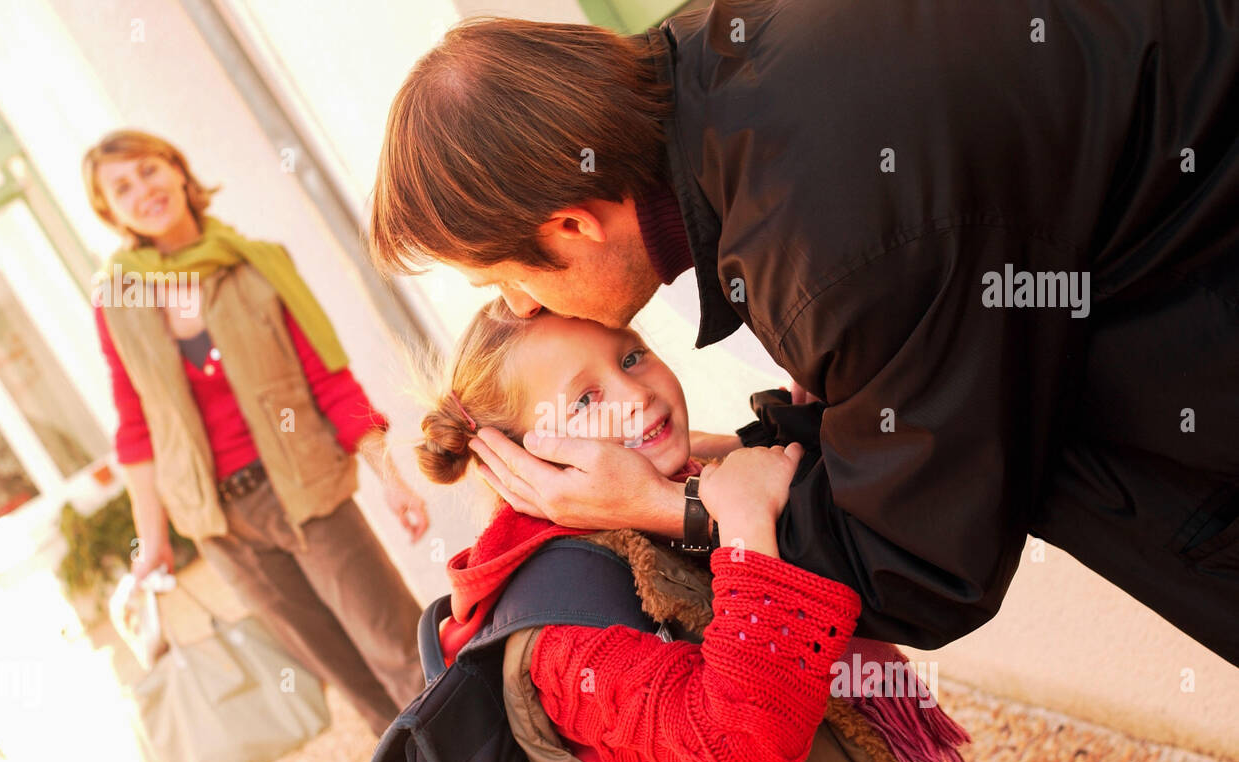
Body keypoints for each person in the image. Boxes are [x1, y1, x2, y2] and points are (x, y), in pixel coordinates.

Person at [370, 3, 1239, 667]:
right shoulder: (727, 53)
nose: (519, 306)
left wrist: (663, 507)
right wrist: (751, 448)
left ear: (570, 226)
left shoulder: (824, 237)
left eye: (503, 279)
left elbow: (926, 563)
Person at [412, 299, 997, 762]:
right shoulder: (564, 639)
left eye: (632, 355)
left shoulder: (684, 484)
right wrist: (744, 520)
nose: (635, 395)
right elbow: (745, 729)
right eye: (586, 401)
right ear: (519, 461)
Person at [83, 129, 426, 734]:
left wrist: (392, 479)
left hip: (305, 491)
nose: (143, 191)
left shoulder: (259, 264)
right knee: (345, 674)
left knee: (398, 650)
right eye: (122, 187)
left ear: (177, 169)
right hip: (220, 523)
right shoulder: (119, 302)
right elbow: (136, 431)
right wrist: (152, 542)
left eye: (148, 170)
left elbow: (329, 378)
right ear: (109, 211)